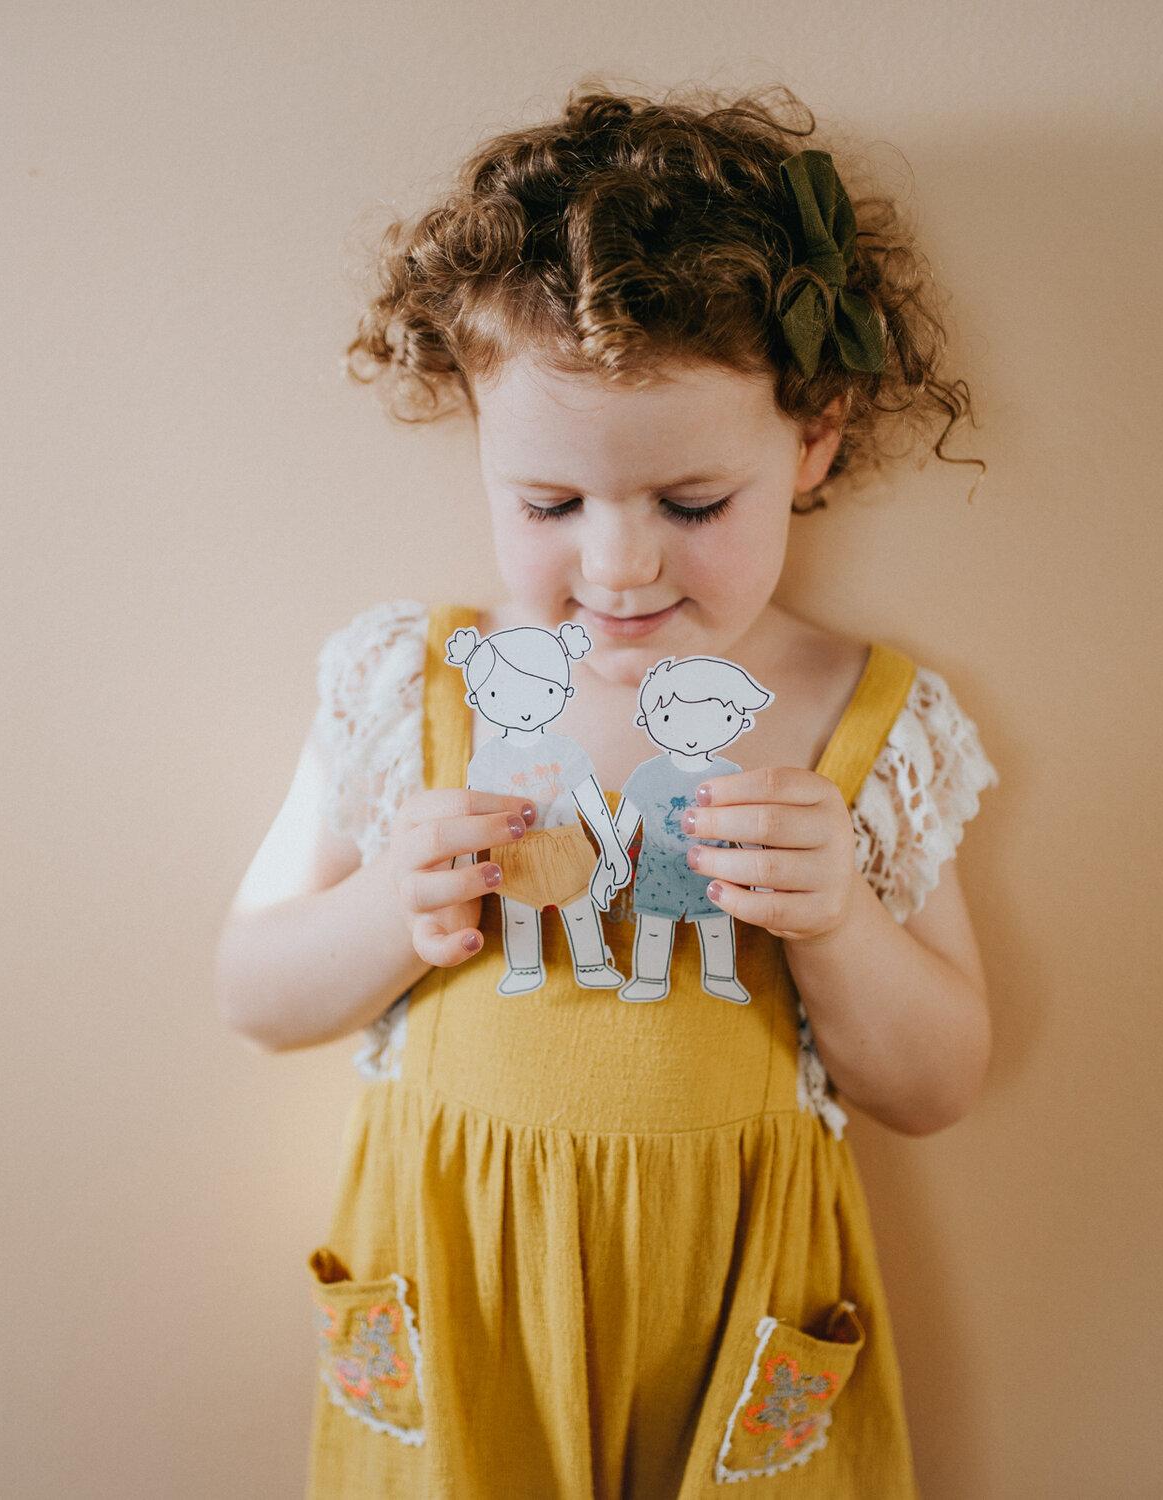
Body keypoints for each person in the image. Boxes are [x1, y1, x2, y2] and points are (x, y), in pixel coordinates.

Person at [216, 80, 1001, 1499]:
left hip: (727, 1310)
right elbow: (257, 991)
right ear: (482, 453)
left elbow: (939, 1083)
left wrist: (839, 924)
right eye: (550, 505)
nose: (621, 567)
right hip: (464, 1296)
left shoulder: (857, 724)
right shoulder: (414, 689)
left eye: (692, 506)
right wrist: (393, 905)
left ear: (811, 442)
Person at [442, 619, 630, 993]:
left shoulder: (565, 749)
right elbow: (472, 815)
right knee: (520, 913)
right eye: (500, 694)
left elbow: (590, 799)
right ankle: (525, 968)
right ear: (479, 699)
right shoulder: (488, 758)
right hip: (515, 854)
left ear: (563, 691)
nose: (524, 708)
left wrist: (612, 846)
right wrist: (462, 867)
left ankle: (591, 963)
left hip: (568, 844)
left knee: (580, 909)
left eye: (542, 691)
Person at [614, 654, 773, 1005]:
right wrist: (612, 857)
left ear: (738, 721)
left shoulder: (731, 774)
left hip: (712, 868)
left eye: (716, 718)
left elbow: (745, 828)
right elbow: (624, 821)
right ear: (649, 718)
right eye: (672, 717)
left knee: (716, 927)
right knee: (653, 928)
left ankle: (720, 976)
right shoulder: (647, 773)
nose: (691, 735)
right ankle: (649, 978)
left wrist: (759, 873)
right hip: (657, 869)